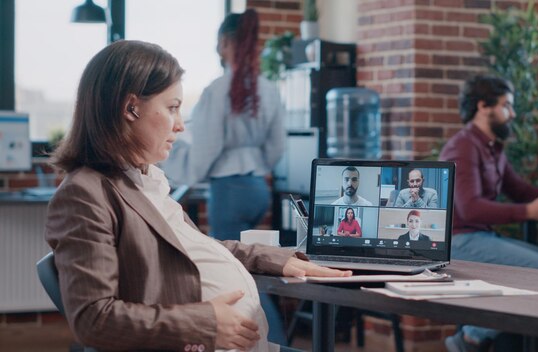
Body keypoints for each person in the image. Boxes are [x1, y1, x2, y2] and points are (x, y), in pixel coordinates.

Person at [44, 40, 350, 352]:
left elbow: (196, 247)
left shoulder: (146, 180)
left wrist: (278, 260)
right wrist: (204, 323)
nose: (179, 126)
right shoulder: (84, 195)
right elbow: (93, 321)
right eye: (172, 108)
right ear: (130, 108)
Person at [439, 74, 538, 352]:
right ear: (484, 106)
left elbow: (518, 189)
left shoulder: (492, 146)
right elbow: (469, 208)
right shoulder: (463, 146)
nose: (513, 113)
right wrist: (529, 211)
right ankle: (470, 338)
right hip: (459, 241)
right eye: (507, 105)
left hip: (481, 236)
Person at [162, 9, 285, 241]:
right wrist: (257, 166)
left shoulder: (217, 91)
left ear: (225, 42)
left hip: (229, 192)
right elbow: (277, 146)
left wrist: (185, 169)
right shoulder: (269, 88)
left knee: (229, 263)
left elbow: (208, 147)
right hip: (259, 190)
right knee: (250, 257)